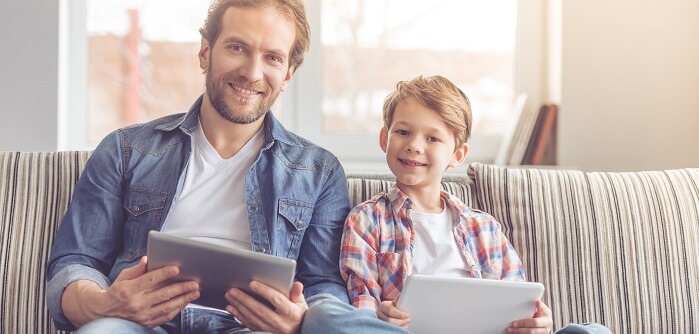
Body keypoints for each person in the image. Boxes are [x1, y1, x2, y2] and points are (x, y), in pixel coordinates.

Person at [46, 0, 351, 333]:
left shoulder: (320, 172)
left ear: (288, 73)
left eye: (272, 58)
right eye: (237, 47)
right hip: (139, 324)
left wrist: (300, 322)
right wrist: (103, 304)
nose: (251, 72)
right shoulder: (125, 151)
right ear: (205, 51)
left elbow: (324, 284)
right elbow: (75, 263)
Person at [302, 76, 611, 334]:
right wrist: (380, 316)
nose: (414, 145)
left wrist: (535, 323)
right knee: (324, 316)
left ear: (458, 155)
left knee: (594, 331)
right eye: (403, 131)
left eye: (433, 138)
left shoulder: (484, 227)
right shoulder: (366, 220)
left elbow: (519, 302)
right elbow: (362, 302)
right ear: (385, 138)